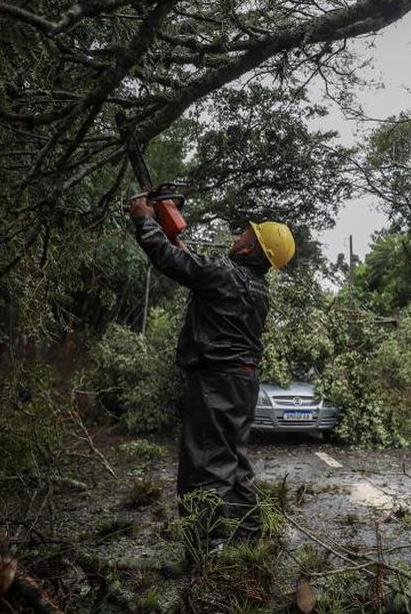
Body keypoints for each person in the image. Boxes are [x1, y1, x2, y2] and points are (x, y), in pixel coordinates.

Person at [127, 196, 295, 554]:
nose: (238, 236)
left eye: (244, 234)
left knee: (204, 466)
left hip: (215, 380)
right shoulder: (259, 287)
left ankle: (202, 552)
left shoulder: (223, 272)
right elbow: (195, 269)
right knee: (233, 461)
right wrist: (171, 230)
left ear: (251, 248)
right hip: (242, 381)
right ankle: (249, 539)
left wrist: (144, 220)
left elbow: (173, 263)